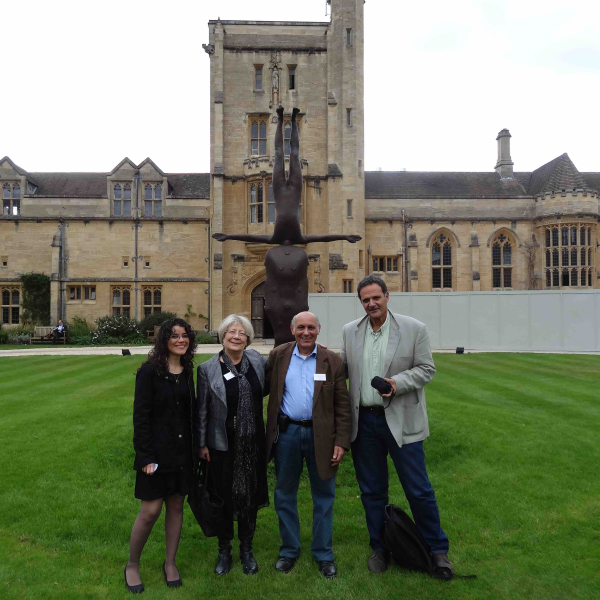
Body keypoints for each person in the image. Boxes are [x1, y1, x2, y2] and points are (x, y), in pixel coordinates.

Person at [341, 275, 451, 574]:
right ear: (361, 302)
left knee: (418, 490)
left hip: (402, 421)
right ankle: (379, 547)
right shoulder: (350, 331)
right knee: (372, 491)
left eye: (376, 297)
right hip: (365, 423)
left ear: (387, 296)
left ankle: (437, 549)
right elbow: (341, 369)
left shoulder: (413, 328)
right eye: (365, 300)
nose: (371, 303)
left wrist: (397, 383)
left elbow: (427, 368)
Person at [265, 311, 351, 579]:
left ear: (319, 330)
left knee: (324, 496)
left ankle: (323, 554)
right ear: (292, 329)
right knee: (284, 494)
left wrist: (341, 441)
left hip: (321, 436)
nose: (305, 332)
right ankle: (289, 550)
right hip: (287, 433)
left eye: (310, 328)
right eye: (300, 327)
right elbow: (259, 383)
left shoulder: (332, 361)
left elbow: (343, 406)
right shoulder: (278, 356)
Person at [124, 318, 197, 593]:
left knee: (176, 507)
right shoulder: (149, 372)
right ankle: (132, 565)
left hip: (182, 453)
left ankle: (170, 563)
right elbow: (140, 417)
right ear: (164, 339)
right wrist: (144, 456)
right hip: (156, 453)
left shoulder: (188, 370)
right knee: (150, 510)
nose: (180, 340)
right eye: (174, 335)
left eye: (185, 335)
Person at [197, 315, 269, 576]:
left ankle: (247, 549)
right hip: (222, 443)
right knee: (225, 497)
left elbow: (285, 362)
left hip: (252, 441)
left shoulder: (258, 363)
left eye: (242, 333)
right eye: (231, 332)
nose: (236, 336)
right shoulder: (207, 369)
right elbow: (203, 410)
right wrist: (202, 443)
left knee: (249, 496)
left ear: (248, 339)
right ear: (223, 336)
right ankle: (224, 550)